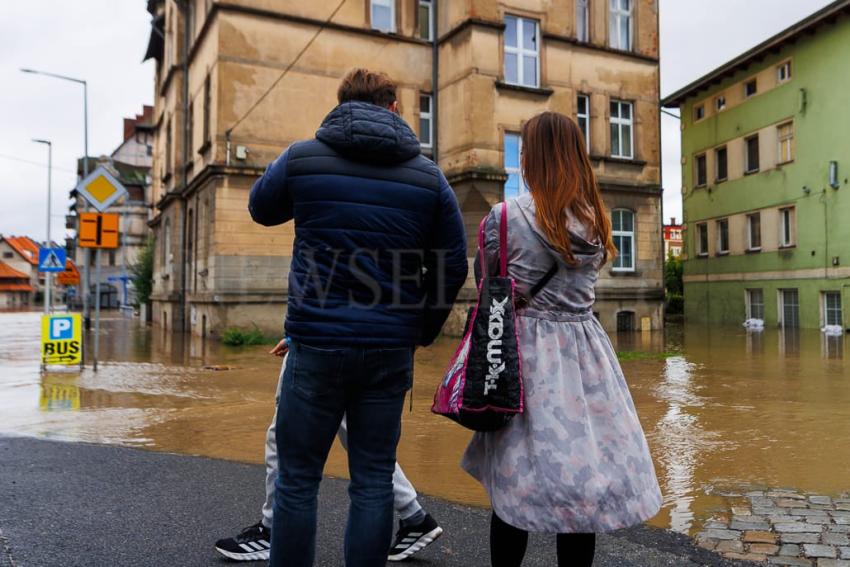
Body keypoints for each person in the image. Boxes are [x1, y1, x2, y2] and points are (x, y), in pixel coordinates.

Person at [247, 68, 468, 567]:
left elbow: (260, 209)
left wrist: (290, 172)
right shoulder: (429, 177)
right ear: (393, 108)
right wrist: (421, 329)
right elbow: (452, 264)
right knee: (371, 478)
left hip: (316, 345)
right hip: (389, 348)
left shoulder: (303, 157)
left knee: (297, 479)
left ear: (341, 103)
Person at [461, 112, 663, 567]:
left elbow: (490, 285)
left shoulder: (504, 218)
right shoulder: (596, 221)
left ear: (533, 159)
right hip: (585, 354)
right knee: (581, 483)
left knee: (516, 481)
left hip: (523, 356)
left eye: (525, 151)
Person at [214, 342, 443, 563]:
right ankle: (414, 516)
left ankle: (273, 530)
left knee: (291, 454)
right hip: (386, 344)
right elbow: (432, 303)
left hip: (322, 343)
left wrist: (296, 332)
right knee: (372, 462)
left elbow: (313, 300)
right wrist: (411, 338)